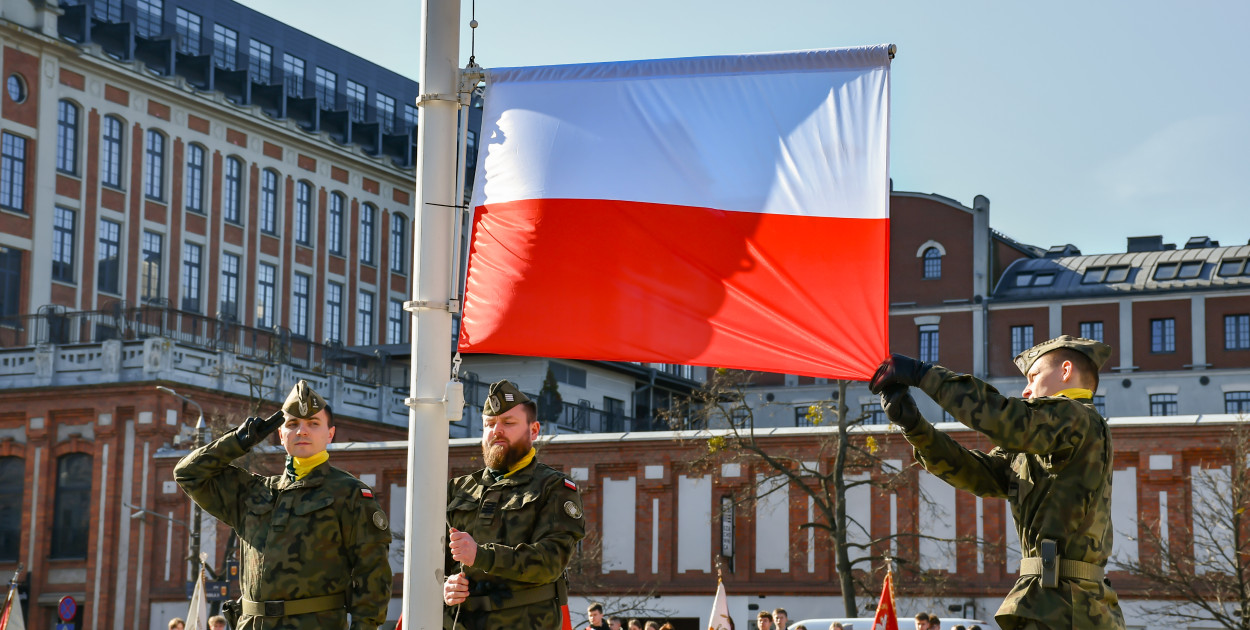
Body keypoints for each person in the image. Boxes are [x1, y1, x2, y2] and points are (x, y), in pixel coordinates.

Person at [871, 335, 1127, 630]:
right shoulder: (1043, 438)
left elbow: (1002, 417)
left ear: (1065, 371)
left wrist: (922, 374)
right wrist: (916, 428)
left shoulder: (1079, 418)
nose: (1027, 389)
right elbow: (978, 473)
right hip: (1049, 602)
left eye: (1034, 376)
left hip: (1070, 606)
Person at [174, 380, 392, 629]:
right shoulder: (253, 491)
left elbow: (372, 573)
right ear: (280, 434)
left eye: (313, 423)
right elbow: (188, 473)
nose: (302, 431)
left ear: (330, 433)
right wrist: (237, 441)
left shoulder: (349, 492)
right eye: (292, 424)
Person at [442, 380, 587, 629]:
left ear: (533, 430)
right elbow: (434, 562)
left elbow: (549, 562)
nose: (497, 430)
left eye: (508, 423)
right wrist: (445, 584)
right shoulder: (458, 488)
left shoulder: (554, 487)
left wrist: (482, 555)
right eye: (489, 424)